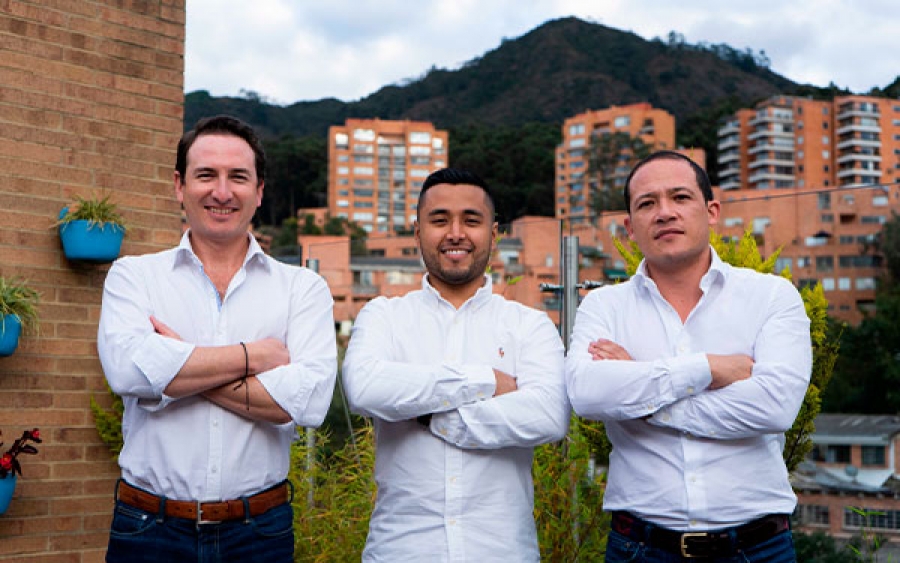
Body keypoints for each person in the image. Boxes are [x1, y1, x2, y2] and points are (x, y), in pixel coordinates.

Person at [97, 115, 337, 563]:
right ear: (179, 185)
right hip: (148, 530)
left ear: (259, 191)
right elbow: (128, 372)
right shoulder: (134, 276)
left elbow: (309, 401)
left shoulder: (302, 288)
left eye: (238, 177)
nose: (222, 192)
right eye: (206, 174)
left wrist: (175, 366)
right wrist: (255, 356)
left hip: (259, 533)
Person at [565, 151, 812, 563]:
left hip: (758, 549)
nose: (664, 212)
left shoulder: (771, 296)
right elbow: (587, 395)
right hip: (639, 548)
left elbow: (775, 406)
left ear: (711, 211)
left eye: (680, 197)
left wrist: (640, 394)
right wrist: (707, 368)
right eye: (647, 203)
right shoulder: (603, 306)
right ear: (629, 227)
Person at [342, 167, 570, 562]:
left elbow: (548, 416)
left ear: (494, 235)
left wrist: (428, 415)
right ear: (418, 233)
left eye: (471, 220)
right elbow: (365, 388)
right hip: (403, 550)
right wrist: (485, 381)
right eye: (439, 220)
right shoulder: (384, 316)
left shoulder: (528, 325)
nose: (455, 233)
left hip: (501, 552)